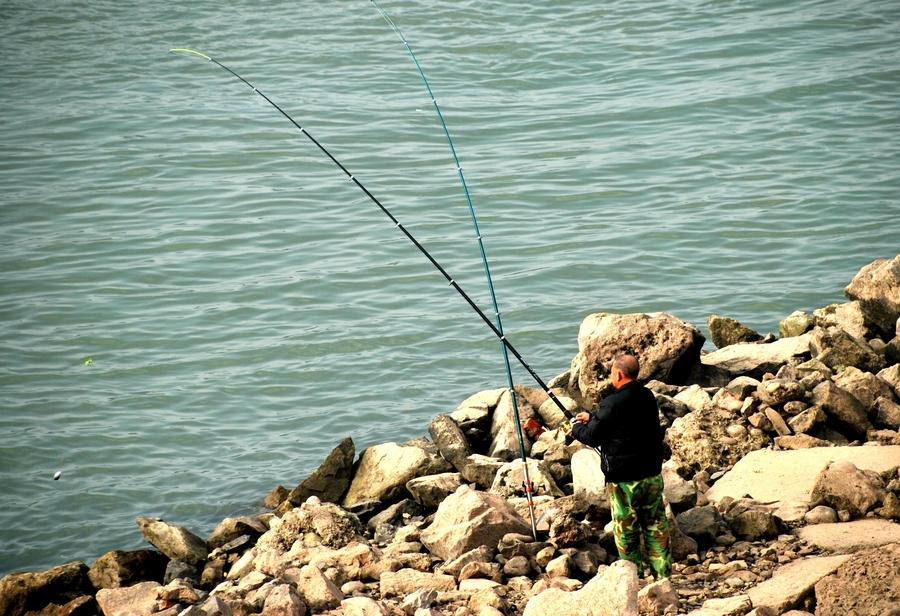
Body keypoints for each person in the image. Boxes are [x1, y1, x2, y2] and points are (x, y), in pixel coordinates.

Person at [570, 353, 672, 579]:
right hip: (651, 475)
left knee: (626, 532)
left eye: (611, 373)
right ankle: (663, 577)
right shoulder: (647, 395)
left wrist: (575, 427)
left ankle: (632, 579)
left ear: (618, 373)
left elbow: (592, 437)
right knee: (656, 528)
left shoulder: (612, 402)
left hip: (624, 481)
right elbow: (620, 420)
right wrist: (593, 416)